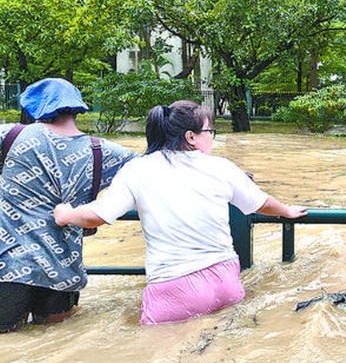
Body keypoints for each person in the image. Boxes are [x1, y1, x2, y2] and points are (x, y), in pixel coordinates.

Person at [54, 100, 307, 325]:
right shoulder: (222, 167)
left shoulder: (138, 170)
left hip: (175, 287)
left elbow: (98, 214)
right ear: (191, 137)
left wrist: (65, 215)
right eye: (210, 131)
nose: (212, 137)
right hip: (226, 280)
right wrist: (287, 211)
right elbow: (261, 203)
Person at [0, 78, 138, 333]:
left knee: (9, 345)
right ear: (77, 108)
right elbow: (153, 168)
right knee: (55, 337)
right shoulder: (103, 150)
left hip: (9, 267)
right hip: (63, 268)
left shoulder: (11, 135)